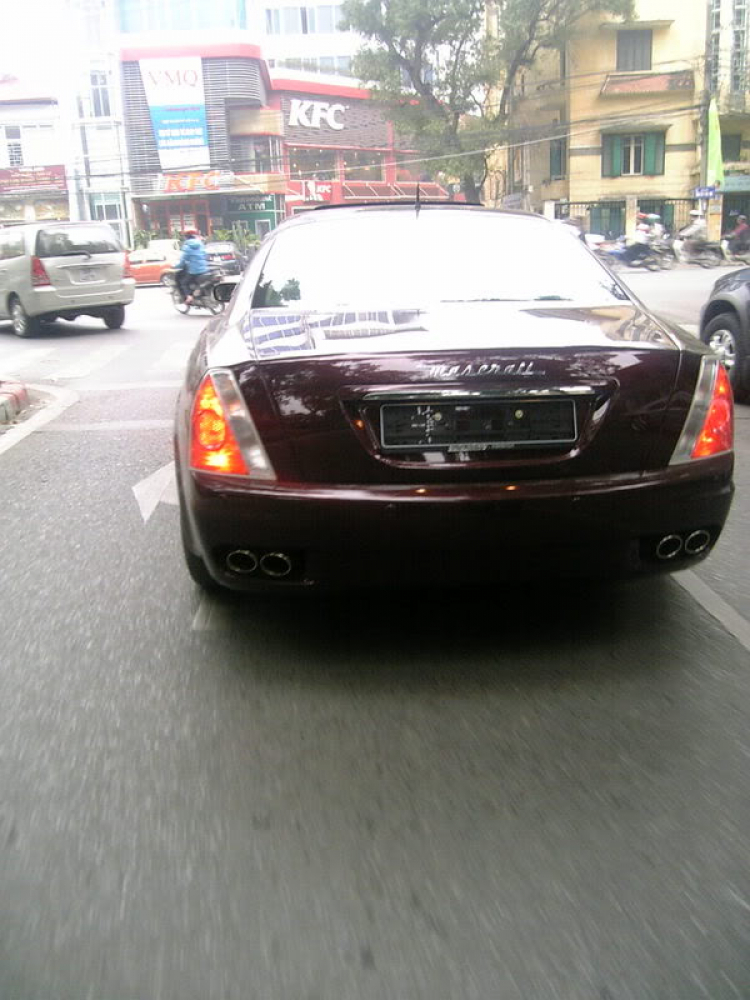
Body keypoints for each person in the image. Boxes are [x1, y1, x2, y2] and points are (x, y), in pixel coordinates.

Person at [177, 229, 209, 303]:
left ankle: (189, 297)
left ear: (186, 237)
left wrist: (177, 267)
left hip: (194, 271)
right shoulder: (201, 244)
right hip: (204, 269)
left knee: (183, 283)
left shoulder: (187, 247)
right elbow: (205, 255)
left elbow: (183, 260)